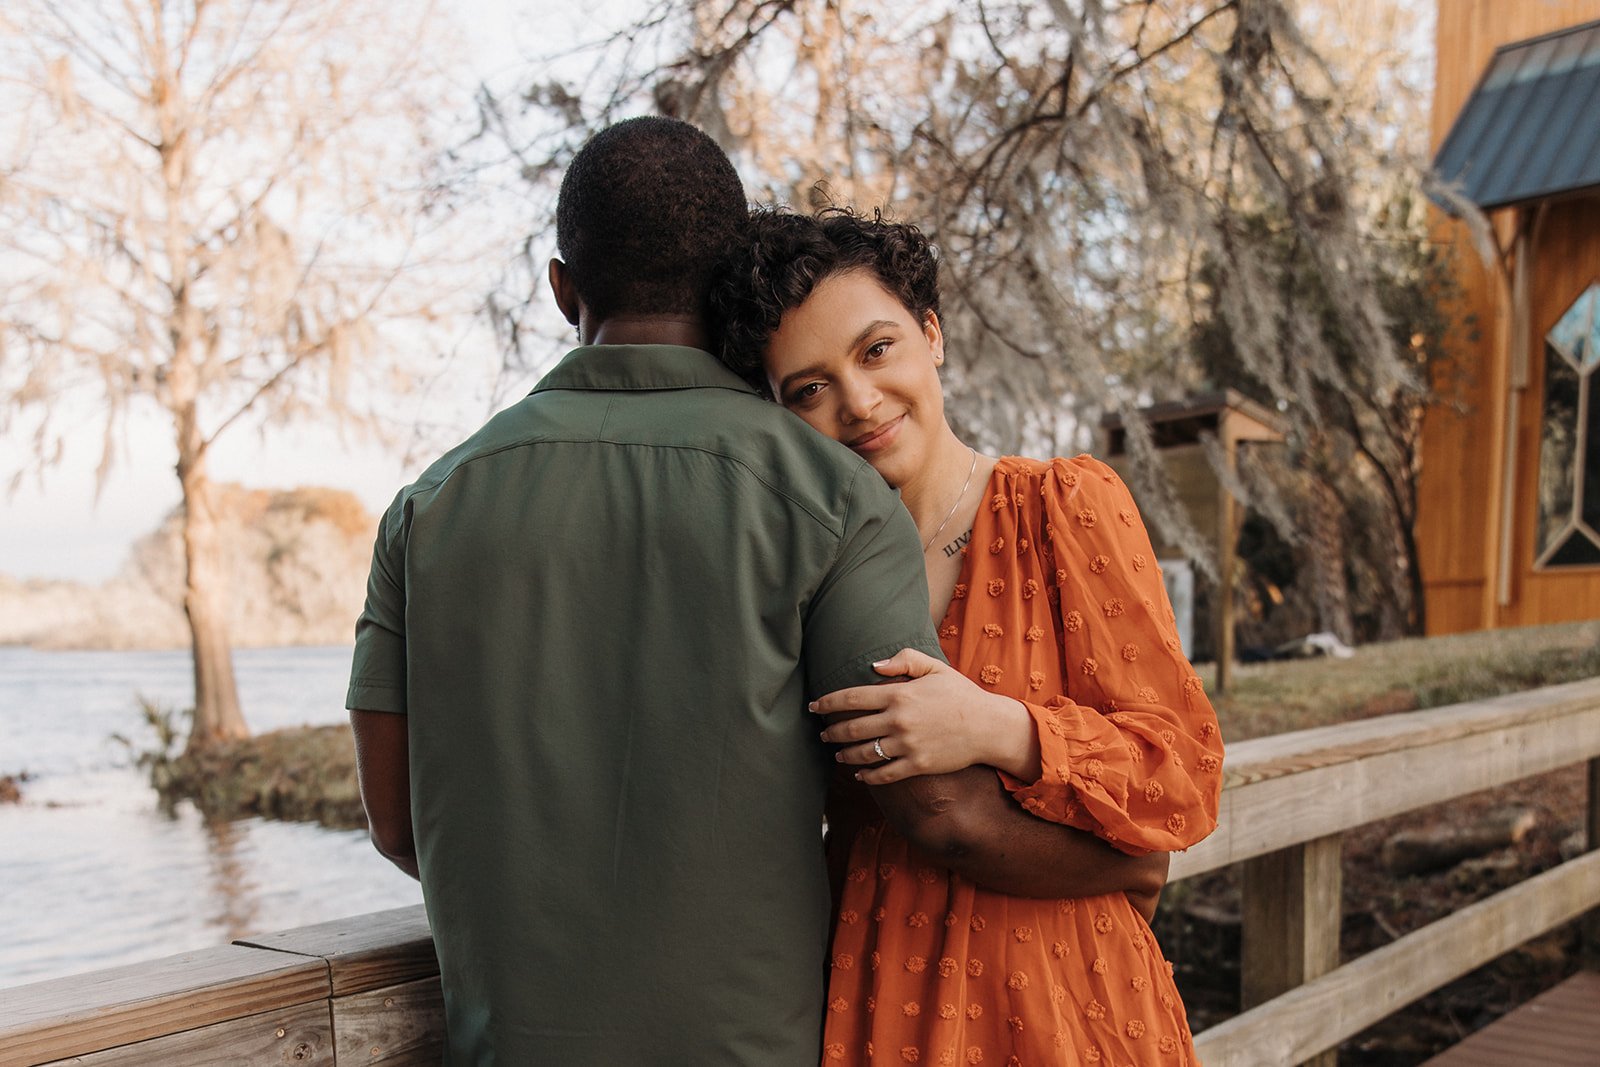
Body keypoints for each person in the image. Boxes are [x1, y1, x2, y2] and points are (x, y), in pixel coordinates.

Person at [347, 118, 1167, 1067]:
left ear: (564, 286)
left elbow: (400, 821)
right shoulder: (831, 494)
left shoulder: (427, 506)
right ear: (732, 279)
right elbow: (941, 813)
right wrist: (1127, 864)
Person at [712, 206, 1225, 1066]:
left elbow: (1184, 777)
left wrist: (999, 726)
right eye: (809, 388)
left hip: (1071, 996)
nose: (859, 401)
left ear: (932, 335)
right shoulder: (798, 577)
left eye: (877, 350)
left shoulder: (1063, 507)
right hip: (886, 995)